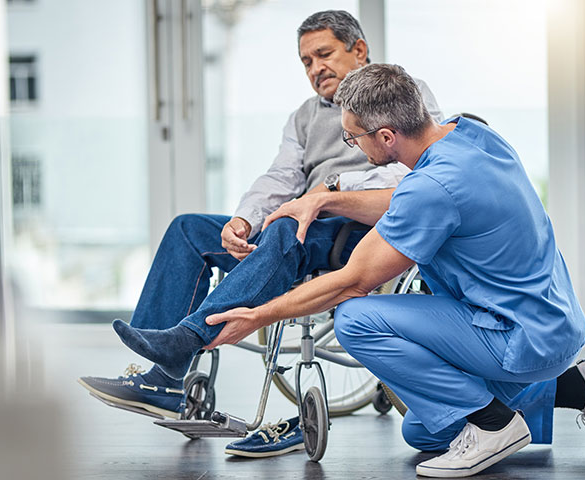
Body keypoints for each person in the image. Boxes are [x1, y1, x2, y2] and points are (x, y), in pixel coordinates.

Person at [198, 64, 585, 476]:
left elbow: (355, 280)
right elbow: (414, 200)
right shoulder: (471, 135)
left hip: (520, 337)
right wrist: (325, 200)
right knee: (424, 429)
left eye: (352, 140)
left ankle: (493, 424)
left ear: (386, 137)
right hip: (554, 320)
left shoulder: (431, 188)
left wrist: (258, 315)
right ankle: (579, 386)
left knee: (355, 317)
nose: (353, 147)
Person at [78, 10, 442, 457]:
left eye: (324, 54)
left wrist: (330, 191)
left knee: (288, 222)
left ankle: (186, 339)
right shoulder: (305, 117)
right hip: (291, 228)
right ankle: (161, 377)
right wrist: (243, 221)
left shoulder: (403, 94)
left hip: (349, 233)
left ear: (359, 50)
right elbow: (279, 178)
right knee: (189, 229)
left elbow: (419, 170)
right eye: (306, 62)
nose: (315, 69)